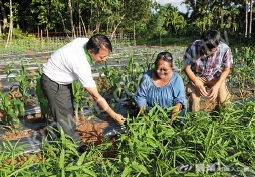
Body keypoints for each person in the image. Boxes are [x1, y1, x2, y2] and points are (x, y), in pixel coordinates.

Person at [40, 34, 126, 146]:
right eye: (101, 57)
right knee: (64, 118)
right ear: (91, 51)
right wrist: (114, 115)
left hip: (62, 78)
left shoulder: (86, 42)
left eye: (106, 56)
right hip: (53, 82)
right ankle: (74, 149)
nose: (104, 60)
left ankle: (67, 138)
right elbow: (96, 96)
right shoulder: (80, 63)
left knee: (67, 113)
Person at [183, 29, 233, 112]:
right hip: (197, 76)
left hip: (215, 77)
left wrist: (217, 85)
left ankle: (218, 116)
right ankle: (195, 120)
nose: (206, 52)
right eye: (204, 48)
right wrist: (196, 81)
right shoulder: (193, 47)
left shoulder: (225, 49)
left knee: (224, 102)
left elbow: (226, 70)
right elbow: (186, 68)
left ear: (217, 46)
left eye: (210, 50)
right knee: (194, 100)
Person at [134, 51, 187, 121]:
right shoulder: (147, 77)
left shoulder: (176, 79)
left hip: (171, 114)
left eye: (165, 70)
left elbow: (179, 100)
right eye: (159, 69)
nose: (162, 72)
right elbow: (141, 97)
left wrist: (172, 118)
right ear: (155, 66)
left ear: (171, 68)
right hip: (150, 113)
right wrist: (144, 115)